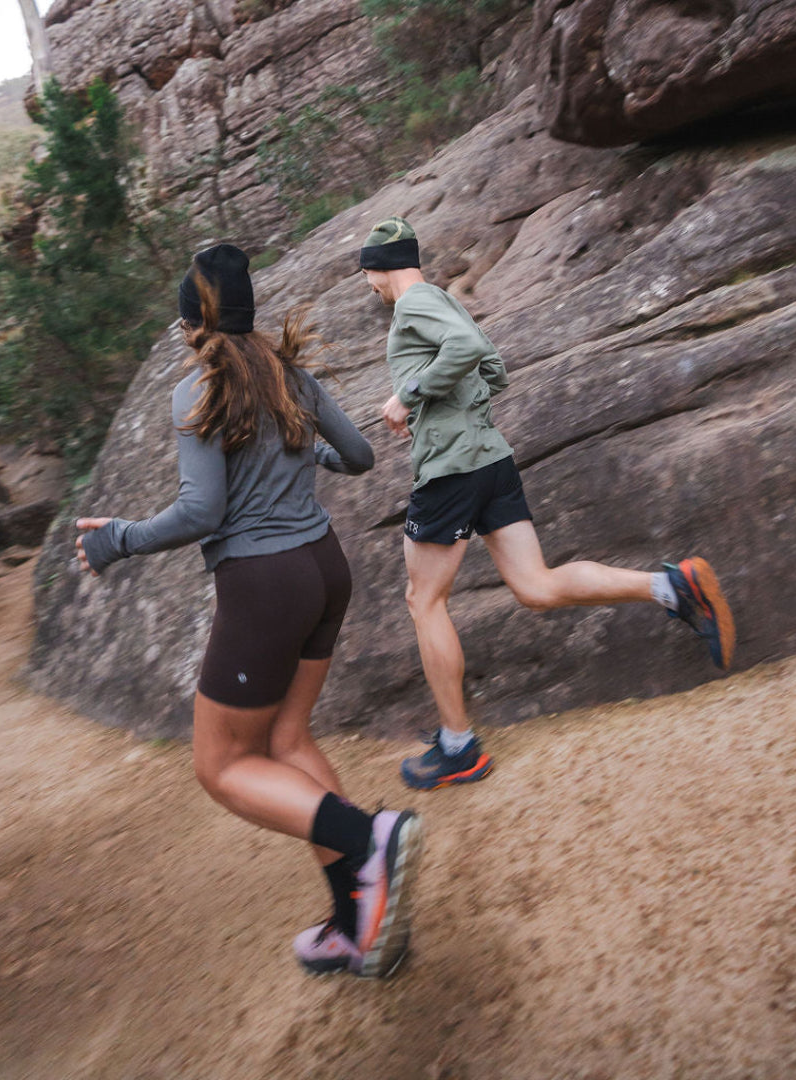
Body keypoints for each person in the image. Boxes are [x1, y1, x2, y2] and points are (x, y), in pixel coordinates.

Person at [75, 243, 422, 978]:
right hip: (325, 568)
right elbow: (358, 456)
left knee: (223, 765)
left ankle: (370, 837)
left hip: (265, 585)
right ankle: (359, 918)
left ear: (189, 323)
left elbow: (202, 511)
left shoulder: (198, 391)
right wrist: (306, 457)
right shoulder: (289, 373)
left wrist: (117, 540)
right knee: (288, 738)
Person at [358, 216, 736, 791]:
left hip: (452, 472)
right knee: (535, 586)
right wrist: (445, 410)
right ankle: (672, 587)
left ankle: (458, 748)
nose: (369, 285)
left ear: (377, 269)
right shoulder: (441, 299)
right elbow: (492, 368)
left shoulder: (413, 304)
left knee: (423, 600)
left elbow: (466, 350)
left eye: (366, 275)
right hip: (490, 461)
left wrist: (408, 396)